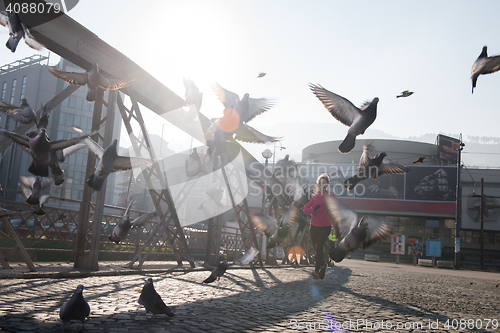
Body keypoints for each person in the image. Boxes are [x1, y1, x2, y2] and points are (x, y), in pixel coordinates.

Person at [303, 173, 333, 280]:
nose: (321, 185)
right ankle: (323, 266)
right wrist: (314, 209)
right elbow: (305, 210)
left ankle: (316, 270)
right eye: (319, 183)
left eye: (324, 183)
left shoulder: (330, 196)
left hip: (326, 226)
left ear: (327, 185)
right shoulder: (314, 196)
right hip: (314, 226)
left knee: (319, 245)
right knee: (317, 248)